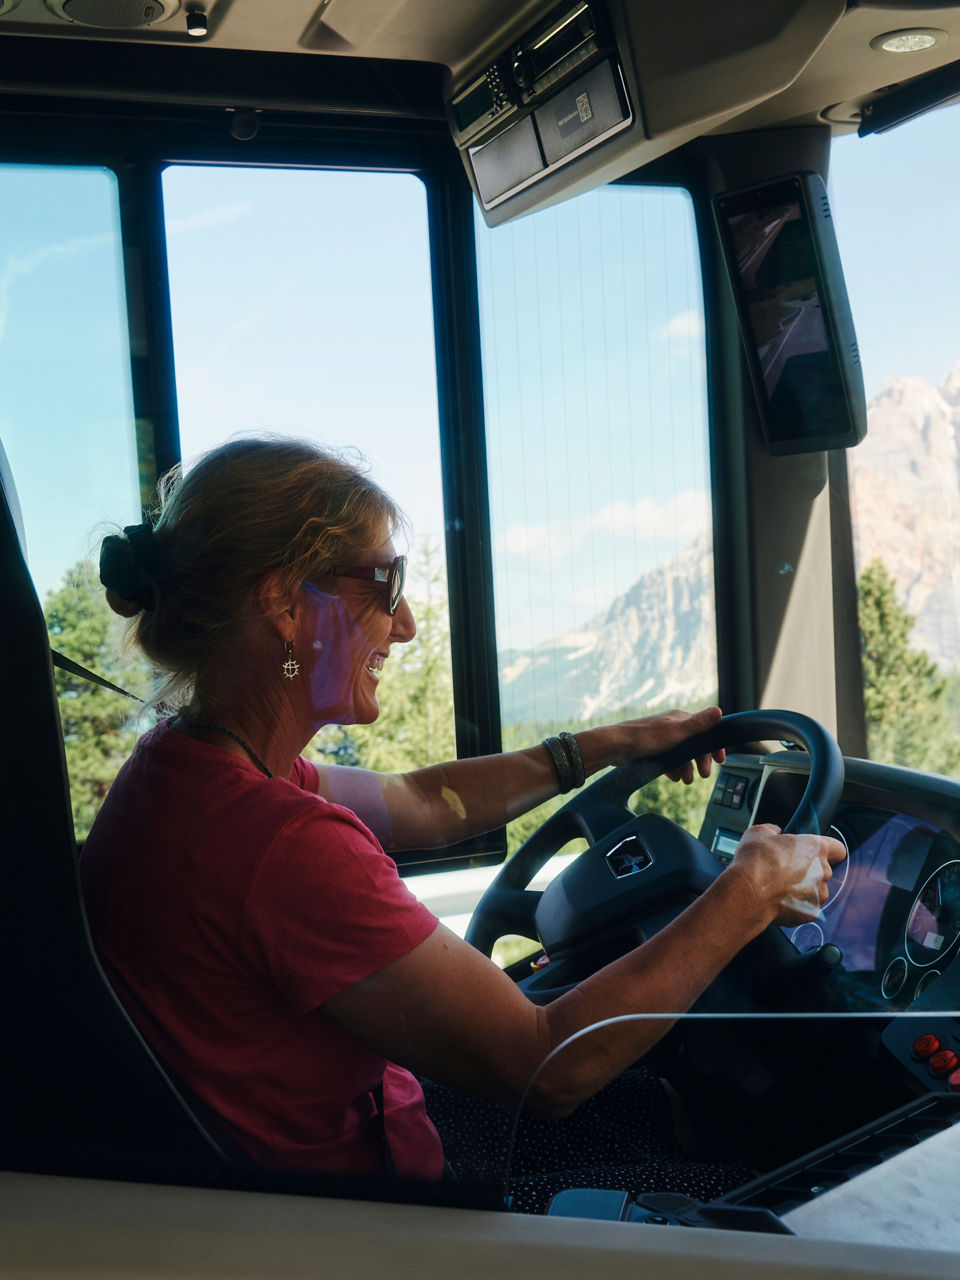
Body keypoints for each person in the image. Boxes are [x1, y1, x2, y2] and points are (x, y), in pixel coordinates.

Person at [81, 436, 844, 1210]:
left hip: (349, 1150)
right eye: (384, 585)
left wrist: (612, 744)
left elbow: (417, 802)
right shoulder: (280, 846)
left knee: (666, 1109)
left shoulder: (182, 773)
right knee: (758, 1197)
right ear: (282, 605)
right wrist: (748, 894)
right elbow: (549, 1066)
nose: (405, 624)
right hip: (381, 1224)